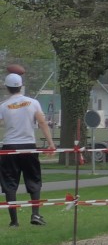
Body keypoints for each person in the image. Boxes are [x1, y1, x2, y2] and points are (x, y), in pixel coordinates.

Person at [0, 71, 56, 227]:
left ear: (7, 87)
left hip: (9, 147)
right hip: (28, 146)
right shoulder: (33, 103)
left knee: (10, 184)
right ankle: (35, 215)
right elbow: (43, 123)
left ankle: (14, 221)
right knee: (34, 179)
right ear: (21, 86)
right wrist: (51, 143)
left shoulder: (3, 106)